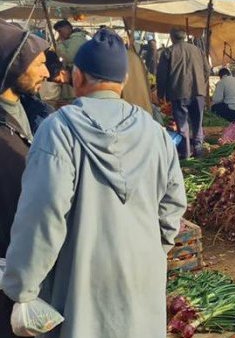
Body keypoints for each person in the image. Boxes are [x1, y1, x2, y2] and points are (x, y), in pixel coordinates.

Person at [1, 28, 187, 338]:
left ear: (77, 77)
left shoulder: (58, 131)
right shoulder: (156, 133)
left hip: (80, 284)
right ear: (123, 81)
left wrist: (22, 285)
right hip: (141, 281)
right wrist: (151, 251)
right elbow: (173, 208)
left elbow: (43, 216)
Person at [0, 20, 51, 338]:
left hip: (25, 259)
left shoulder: (30, 111)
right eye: (40, 64)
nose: (46, 73)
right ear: (12, 66)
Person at [157, 29, 210, 158]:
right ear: (185, 37)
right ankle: (198, 150)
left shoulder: (168, 52)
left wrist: (160, 93)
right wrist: (202, 85)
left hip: (178, 93)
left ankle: (185, 153)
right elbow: (207, 70)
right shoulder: (197, 50)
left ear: (172, 37)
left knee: (183, 125)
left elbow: (162, 75)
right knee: (197, 123)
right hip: (198, 92)